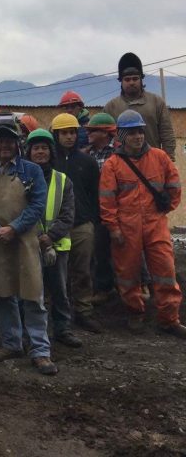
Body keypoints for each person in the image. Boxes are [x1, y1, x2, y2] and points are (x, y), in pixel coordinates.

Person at [0, 119, 57, 376]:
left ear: (17, 144)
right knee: (4, 294)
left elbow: (37, 205)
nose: (4, 145)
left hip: (25, 242)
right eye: (0, 140)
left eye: (9, 140)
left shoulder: (31, 171)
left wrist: (14, 228)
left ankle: (41, 351)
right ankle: (12, 343)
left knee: (33, 296)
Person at [99, 109, 185, 338]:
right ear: (121, 136)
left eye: (140, 131)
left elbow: (174, 186)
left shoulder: (159, 157)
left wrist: (165, 209)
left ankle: (169, 318)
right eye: (132, 133)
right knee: (127, 272)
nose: (137, 136)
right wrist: (114, 227)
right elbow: (107, 200)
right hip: (126, 225)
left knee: (165, 270)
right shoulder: (113, 164)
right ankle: (135, 311)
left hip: (155, 221)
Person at [24, 129, 81, 348]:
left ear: (51, 151)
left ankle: (62, 329)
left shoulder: (63, 180)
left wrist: (49, 237)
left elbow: (68, 215)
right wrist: (37, 237)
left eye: (44, 148)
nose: (40, 152)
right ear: (29, 152)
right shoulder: (21, 179)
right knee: (30, 291)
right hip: (29, 245)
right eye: (36, 148)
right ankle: (31, 332)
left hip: (57, 246)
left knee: (60, 290)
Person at [51, 113, 102, 334]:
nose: (69, 137)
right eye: (64, 133)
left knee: (82, 271)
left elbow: (94, 194)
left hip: (81, 225)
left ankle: (83, 311)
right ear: (56, 135)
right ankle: (54, 314)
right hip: (54, 227)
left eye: (72, 132)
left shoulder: (88, 162)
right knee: (53, 273)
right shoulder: (48, 161)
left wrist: (92, 221)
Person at [104, 52, 176, 161]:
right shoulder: (111, 107)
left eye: (135, 78)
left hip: (153, 163)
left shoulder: (157, 102)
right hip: (122, 165)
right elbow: (104, 138)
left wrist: (168, 160)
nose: (131, 82)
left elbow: (167, 134)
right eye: (127, 79)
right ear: (121, 82)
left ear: (141, 79)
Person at [83, 112, 118, 303]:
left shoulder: (119, 153)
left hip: (118, 209)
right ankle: (104, 288)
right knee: (100, 249)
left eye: (93, 131)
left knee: (128, 249)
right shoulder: (88, 153)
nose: (88, 133)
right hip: (96, 209)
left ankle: (139, 285)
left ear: (105, 133)